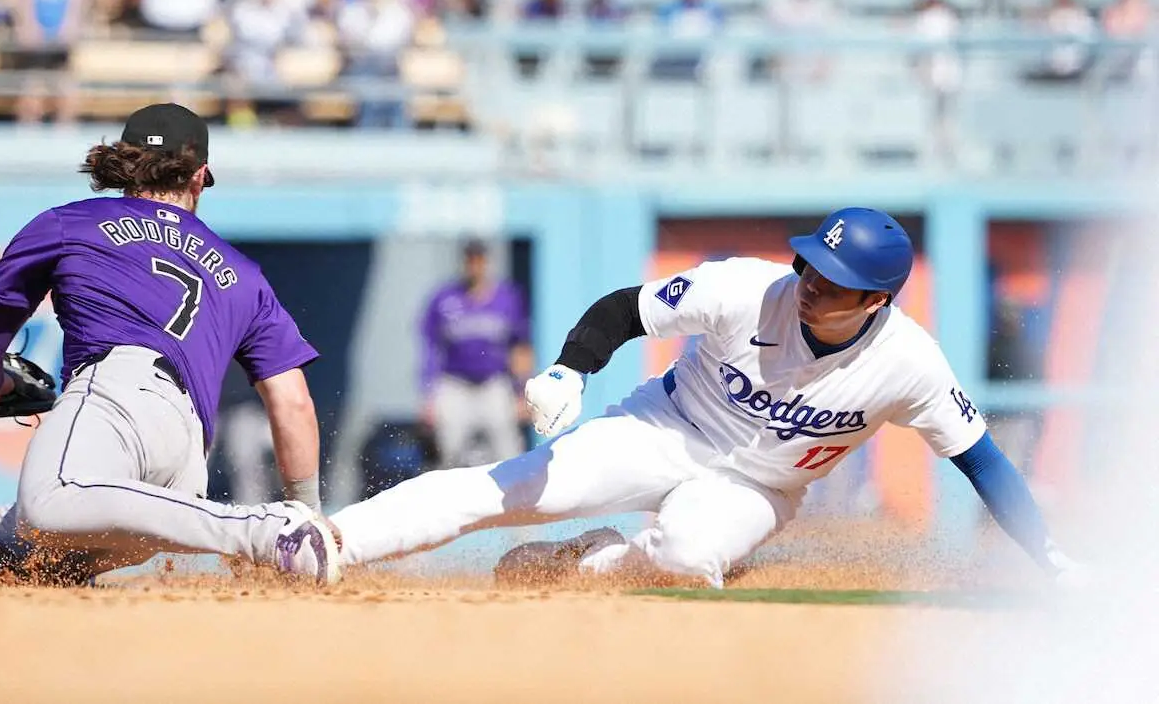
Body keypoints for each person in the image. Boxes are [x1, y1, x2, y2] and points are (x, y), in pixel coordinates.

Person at [329, 208, 1088, 590]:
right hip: (665, 425)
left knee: (688, 557)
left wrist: (1049, 557)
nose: (810, 278)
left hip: (761, 486)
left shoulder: (911, 363)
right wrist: (569, 370)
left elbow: (982, 463)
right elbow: (626, 309)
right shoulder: (748, 287)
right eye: (810, 260)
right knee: (511, 486)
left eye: (831, 277)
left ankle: (587, 563)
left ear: (876, 299)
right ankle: (327, 546)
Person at [0, 103, 340, 586]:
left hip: (116, 396)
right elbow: (293, 402)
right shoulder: (244, 275)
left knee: (50, 500)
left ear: (123, 163)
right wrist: (307, 509)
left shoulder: (68, 224)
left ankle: (260, 532)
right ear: (200, 175)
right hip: (186, 457)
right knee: (35, 565)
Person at [419, 239, 532, 469]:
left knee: (509, 452)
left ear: (487, 262)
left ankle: (516, 505)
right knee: (448, 452)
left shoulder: (507, 298)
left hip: (494, 383)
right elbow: (430, 348)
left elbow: (520, 346)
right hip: (455, 384)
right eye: (470, 259)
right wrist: (428, 395)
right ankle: (446, 503)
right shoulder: (444, 298)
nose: (474, 265)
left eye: (479, 259)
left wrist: (522, 391)